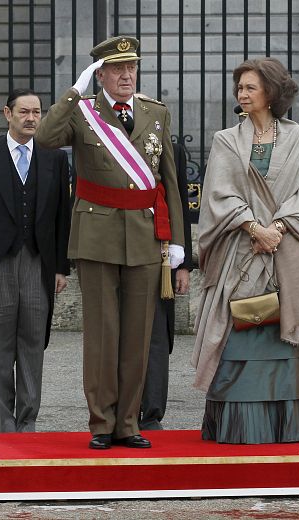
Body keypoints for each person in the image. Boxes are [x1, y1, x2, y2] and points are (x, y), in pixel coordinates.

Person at [36, 36, 185, 450]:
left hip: (142, 233)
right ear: (99, 74)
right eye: (117, 69)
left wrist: (176, 243)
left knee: (138, 335)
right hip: (97, 234)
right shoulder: (82, 112)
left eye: (131, 67)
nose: (126, 75)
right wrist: (73, 92)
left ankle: (128, 422)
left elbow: (168, 180)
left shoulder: (155, 112)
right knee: (102, 334)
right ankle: (101, 422)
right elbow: (45, 138)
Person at [193, 58, 299, 444]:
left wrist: (275, 228)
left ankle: (296, 426)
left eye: (250, 87)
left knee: (289, 339)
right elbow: (218, 195)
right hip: (240, 249)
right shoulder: (226, 139)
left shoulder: (293, 136)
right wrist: (252, 226)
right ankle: (242, 429)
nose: (242, 94)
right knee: (240, 334)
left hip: (285, 247)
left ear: (271, 93)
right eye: (239, 87)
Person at [0, 89, 70, 433]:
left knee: (33, 342)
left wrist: (62, 267)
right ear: (8, 114)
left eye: (37, 112)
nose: (32, 118)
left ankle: (28, 422)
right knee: (1, 344)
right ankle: (5, 423)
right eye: (24, 111)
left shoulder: (54, 159)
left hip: (38, 262)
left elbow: (62, 218)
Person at [139, 141, 192, 430]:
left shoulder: (168, 148)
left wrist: (183, 263)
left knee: (157, 337)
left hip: (161, 255)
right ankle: (123, 409)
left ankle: (152, 412)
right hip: (118, 252)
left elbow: (179, 202)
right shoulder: (103, 140)